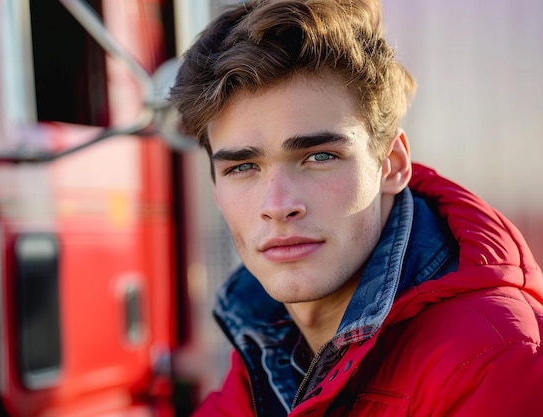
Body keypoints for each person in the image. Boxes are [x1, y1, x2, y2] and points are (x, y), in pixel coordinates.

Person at [169, 0, 543, 415]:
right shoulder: (266, 343)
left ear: (392, 165)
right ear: (215, 188)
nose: (277, 206)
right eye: (242, 166)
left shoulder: (493, 356)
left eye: (319, 156)